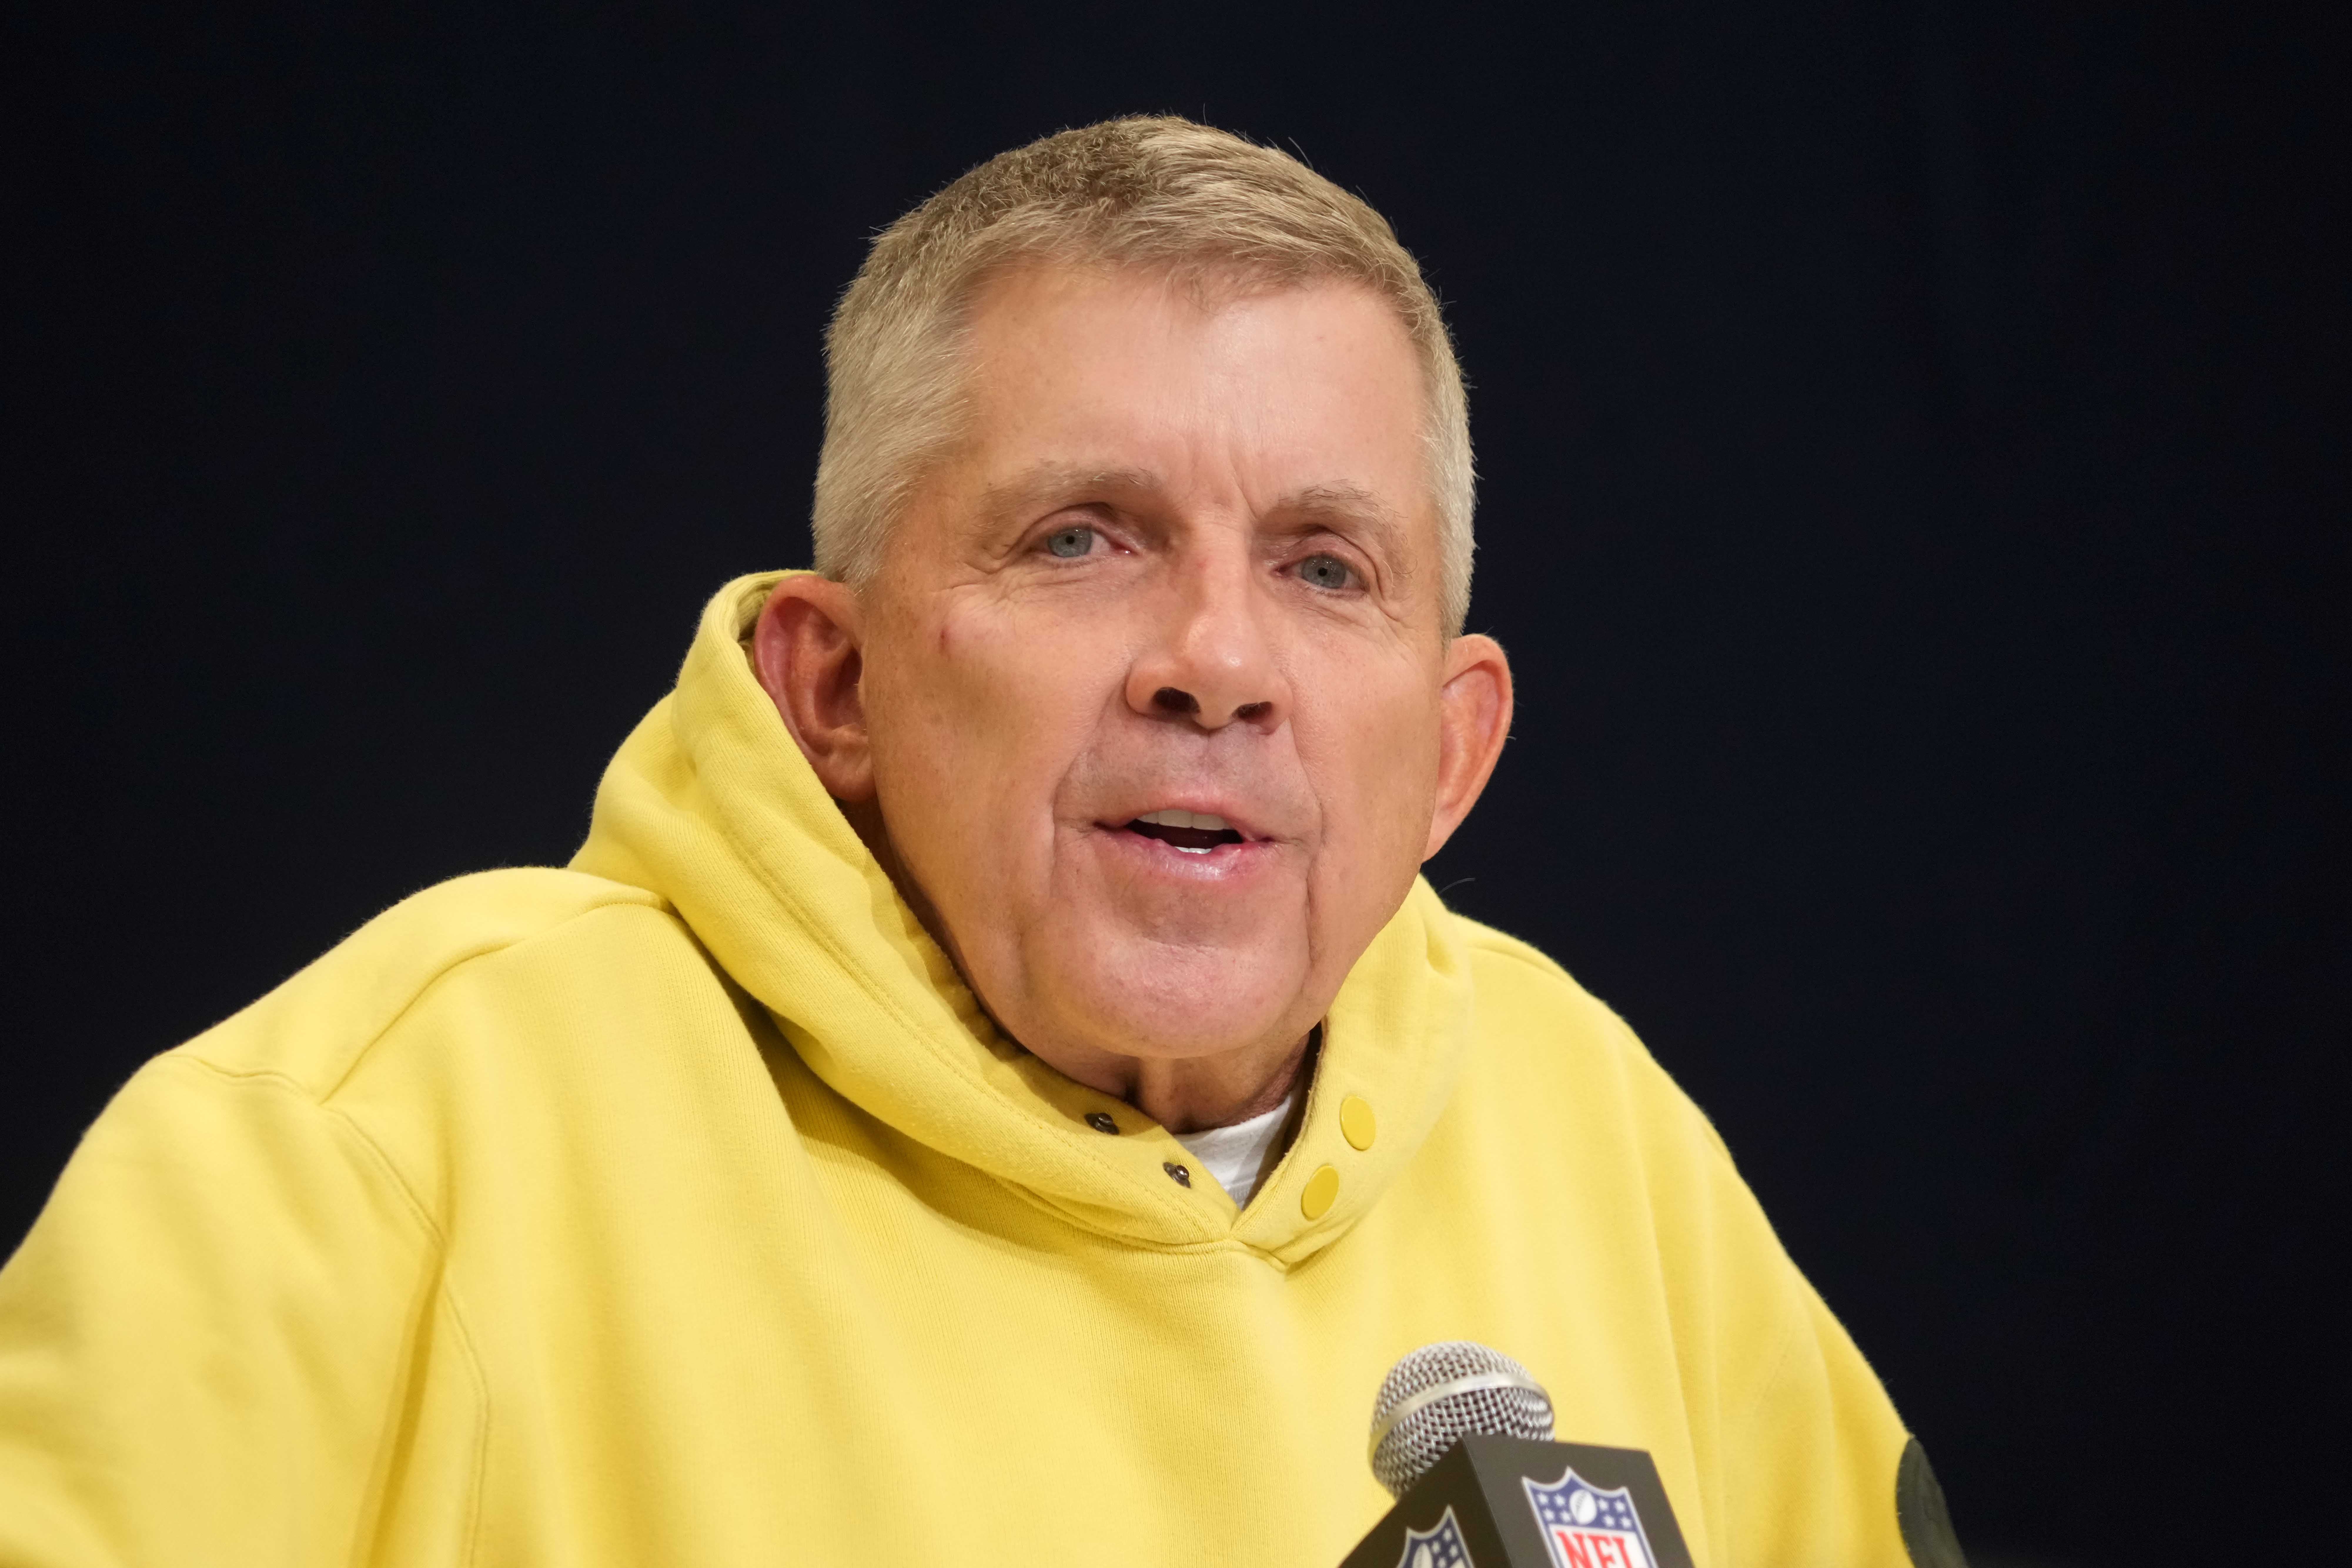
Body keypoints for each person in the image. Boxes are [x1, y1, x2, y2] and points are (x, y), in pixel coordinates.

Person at [0, 117, 1947, 1567]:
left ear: (1449, 753)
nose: (1213, 661)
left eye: (1324, 565)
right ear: (828, 684)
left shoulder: (1597, 1134)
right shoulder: (376, 1141)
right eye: (1080, 538)